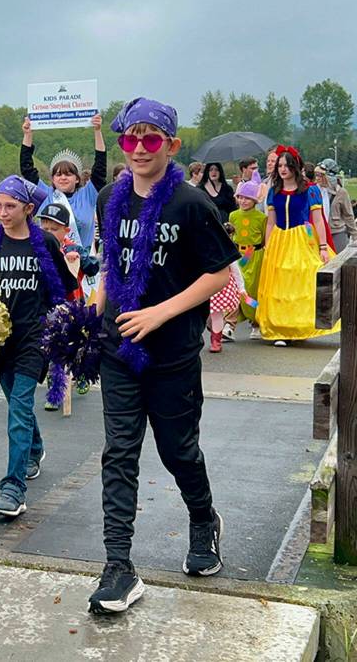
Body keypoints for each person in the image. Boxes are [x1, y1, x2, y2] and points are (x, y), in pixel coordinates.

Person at [90, 98, 238, 615]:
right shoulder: (112, 195)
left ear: (171, 146)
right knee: (120, 452)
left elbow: (220, 273)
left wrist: (160, 313)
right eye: (131, 138)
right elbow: (112, 262)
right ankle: (117, 566)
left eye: (151, 138)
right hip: (118, 350)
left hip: (173, 354)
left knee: (178, 451)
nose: (138, 148)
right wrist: (93, 313)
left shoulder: (193, 205)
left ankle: (203, 519)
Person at [0, 178, 77, 517]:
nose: (3, 213)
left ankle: (13, 488)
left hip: (35, 337)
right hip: (0, 340)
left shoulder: (44, 243)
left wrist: (61, 325)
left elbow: (64, 287)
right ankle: (35, 448)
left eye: (10, 206)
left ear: (28, 209)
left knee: (18, 408)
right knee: (16, 403)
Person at [256, 146, 339, 346]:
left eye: (287, 165)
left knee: (303, 278)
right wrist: (267, 246)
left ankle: (299, 326)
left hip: (301, 237)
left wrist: (322, 246)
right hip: (279, 239)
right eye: (280, 165)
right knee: (280, 284)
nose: (283, 169)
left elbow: (318, 221)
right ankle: (280, 329)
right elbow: (270, 222)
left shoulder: (310, 190)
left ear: (295, 166)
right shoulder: (273, 191)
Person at [38, 202, 100, 404]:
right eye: (45, 228)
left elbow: (93, 267)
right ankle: (55, 393)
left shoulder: (73, 249)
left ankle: (81, 374)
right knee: (52, 348)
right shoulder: (37, 248)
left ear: (66, 230)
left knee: (76, 345)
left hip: (73, 306)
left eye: (54, 229)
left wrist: (79, 259)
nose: (48, 233)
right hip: (48, 307)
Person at [21, 113, 107, 249]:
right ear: (53, 179)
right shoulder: (44, 194)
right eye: (58, 174)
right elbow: (27, 169)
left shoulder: (87, 195)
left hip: (81, 264)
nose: (63, 178)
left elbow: (100, 169)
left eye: (68, 174)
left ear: (77, 178)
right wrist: (28, 135)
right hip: (50, 261)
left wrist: (97, 131)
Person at [228, 172, 267, 340]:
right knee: (236, 289)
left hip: (255, 256)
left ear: (254, 201)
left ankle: (256, 321)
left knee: (252, 290)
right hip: (237, 255)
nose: (243, 201)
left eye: (247, 198)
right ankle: (230, 323)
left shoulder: (261, 218)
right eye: (241, 197)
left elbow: (265, 238)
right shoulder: (233, 216)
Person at [316, 159, 356, 251]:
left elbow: (348, 215)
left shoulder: (341, 192)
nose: (318, 178)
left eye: (321, 175)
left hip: (337, 234)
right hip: (319, 234)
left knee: (338, 262)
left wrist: (354, 235)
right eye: (317, 175)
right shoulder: (314, 191)